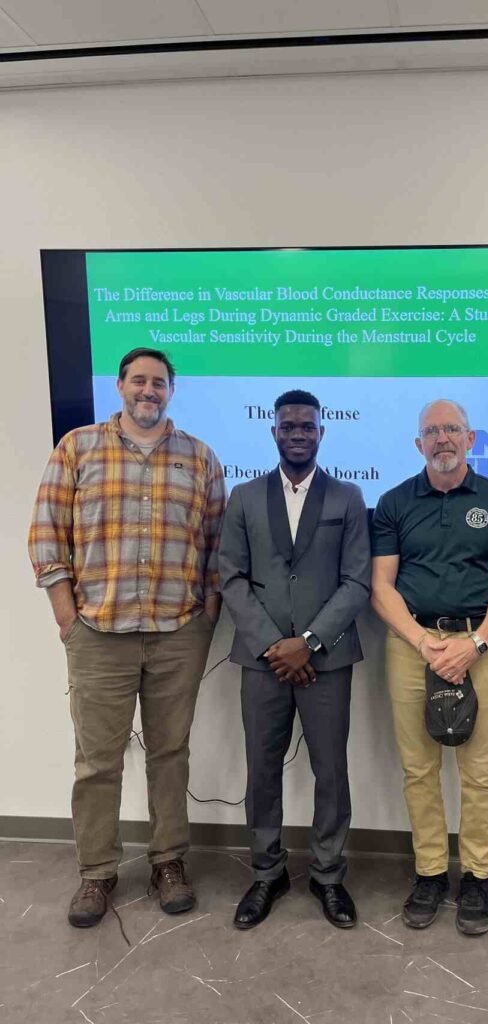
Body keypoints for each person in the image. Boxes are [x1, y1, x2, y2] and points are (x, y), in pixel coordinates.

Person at [28, 347, 225, 928]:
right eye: (138, 380)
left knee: (169, 755)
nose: (149, 390)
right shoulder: (78, 447)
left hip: (177, 632)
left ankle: (169, 862)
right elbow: (45, 533)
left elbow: (217, 543)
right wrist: (67, 614)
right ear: (119, 386)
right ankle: (97, 873)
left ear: (171, 391)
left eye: (159, 382)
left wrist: (207, 613)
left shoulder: (200, 456)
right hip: (98, 633)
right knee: (97, 762)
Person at [371, 399, 488, 935]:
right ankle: (431, 872)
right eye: (432, 431)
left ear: (471, 439)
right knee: (419, 769)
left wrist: (475, 643)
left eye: (452, 430)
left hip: (482, 646)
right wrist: (421, 641)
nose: (442, 439)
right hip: (412, 646)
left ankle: (478, 878)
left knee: (481, 773)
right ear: (419, 444)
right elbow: (382, 587)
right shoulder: (393, 503)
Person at [219, 389, 371, 930]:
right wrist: (273, 644)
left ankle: (329, 876)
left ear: (321, 433)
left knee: (331, 770)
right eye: (289, 426)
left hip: (326, 660)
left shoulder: (349, 498)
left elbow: (358, 580)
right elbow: (231, 577)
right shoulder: (243, 497)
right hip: (262, 662)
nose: (298, 433)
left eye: (308, 426)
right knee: (262, 770)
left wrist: (307, 642)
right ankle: (267, 872)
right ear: (274, 432)